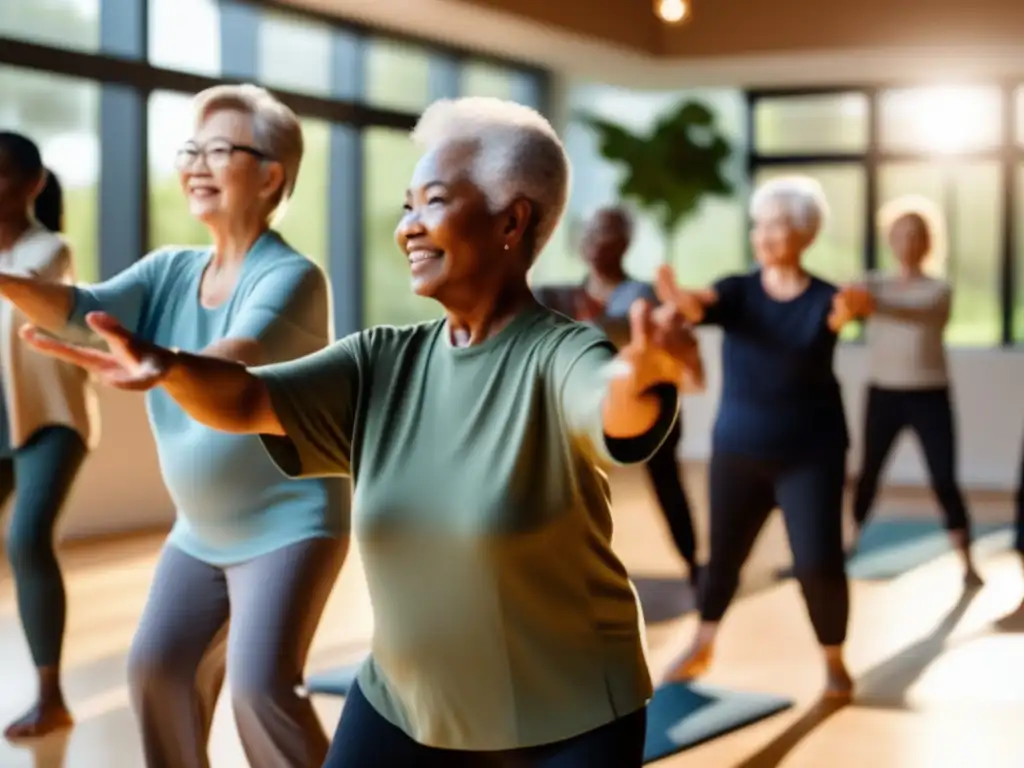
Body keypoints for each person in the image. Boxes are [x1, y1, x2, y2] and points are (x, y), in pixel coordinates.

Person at [18, 96, 705, 768]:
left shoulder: (559, 355)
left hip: (569, 717)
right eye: (407, 206)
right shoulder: (382, 358)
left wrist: (641, 374)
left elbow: (610, 404)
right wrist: (167, 365)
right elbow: (248, 398)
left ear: (511, 221)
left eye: (432, 202)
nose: (407, 226)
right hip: (405, 704)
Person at [0, 85, 349, 767]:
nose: (194, 164)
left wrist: (161, 363)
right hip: (200, 531)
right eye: (190, 149)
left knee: (259, 692)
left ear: (271, 175)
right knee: (157, 673)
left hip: (290, 521)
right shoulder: (169, 269)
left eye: (217, 150)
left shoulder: (293, 277)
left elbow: (239, 360)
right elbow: (78, 309)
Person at [659, 175, 864, 699]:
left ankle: (834, 660)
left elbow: (845, 313)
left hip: (811, 454)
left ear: (803, 232)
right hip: (739, 451)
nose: (764, 234)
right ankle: (703, 642)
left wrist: (853, 308)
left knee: (818, 562)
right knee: (723, 556)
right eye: (759, 225)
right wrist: (677, 299)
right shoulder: (737, 291)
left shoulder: (824, 298)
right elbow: (700, 304)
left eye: (776, 224)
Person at [534, 206, 699, 583]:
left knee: (666, 481)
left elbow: (660, 343)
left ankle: (693, 565)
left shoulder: (643, 297)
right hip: (586, 411)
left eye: (607, 233)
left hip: (647, 405)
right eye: (590, 232)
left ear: (624, 243)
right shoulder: (560, 296)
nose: (596, 241)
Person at [0, 134, 98, 740]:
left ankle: (51, 697)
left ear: (35, 184)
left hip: (52, 423)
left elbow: (21, 284)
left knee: (28, 539)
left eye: (4, 175)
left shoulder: (49, 251)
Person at [847, 196, 981, 584]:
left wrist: (871, 302)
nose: (908, 242)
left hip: (929, 395)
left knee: (943, 478)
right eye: (901, 234)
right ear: (890, 239)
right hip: (883, 395)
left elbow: (915, 313)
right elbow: (843, 304)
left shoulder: (939, 289)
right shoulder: (872, 282)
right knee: (868, 473)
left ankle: (967, 561)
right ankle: (848, 543)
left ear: (928, 242)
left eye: (916, 235)